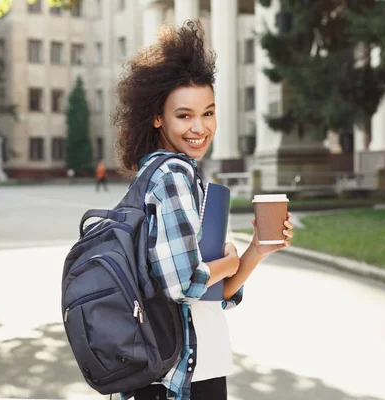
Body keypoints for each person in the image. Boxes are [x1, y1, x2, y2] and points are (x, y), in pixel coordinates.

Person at [112, 21, 294, 400]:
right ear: (157, 117)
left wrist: (256, 249)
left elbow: (214, 294)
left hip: (178, 372)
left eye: (208, 113)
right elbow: (187, 284)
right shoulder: (173, 175)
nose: (200, 127)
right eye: (184, 115)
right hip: (182, 380)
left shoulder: (157, 174)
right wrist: (227, 259)